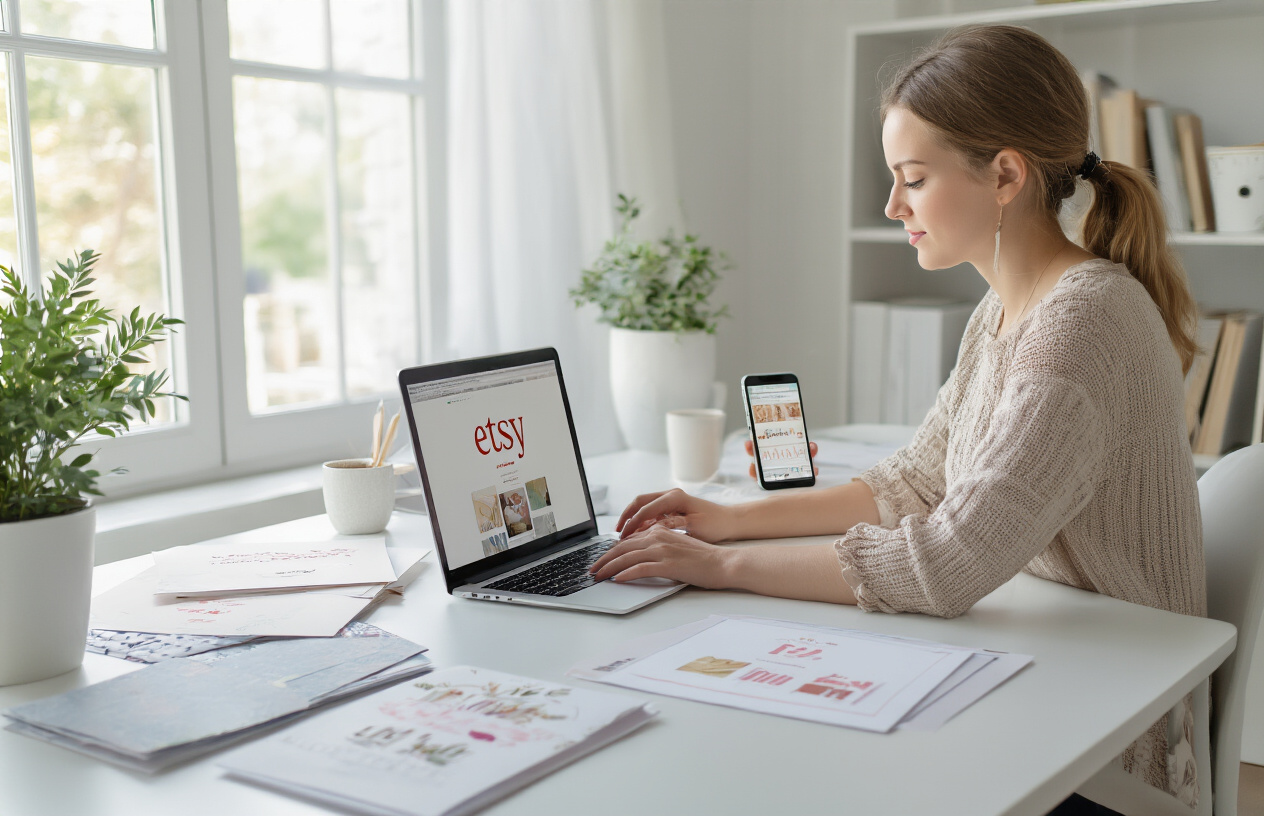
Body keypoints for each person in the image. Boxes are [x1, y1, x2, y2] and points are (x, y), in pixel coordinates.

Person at [589, 24, 1205, 813]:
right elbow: (915, 482)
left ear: (1005, 175)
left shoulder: (1081, 324)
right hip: (1051, 672)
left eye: (913, 179)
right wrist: (729, 520)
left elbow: (945, 565)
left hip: (1107, 743)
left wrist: (720, 567)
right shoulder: (1004, 310)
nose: (892, 206)